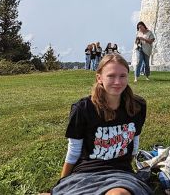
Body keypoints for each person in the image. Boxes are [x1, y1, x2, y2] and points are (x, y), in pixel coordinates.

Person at [52, 54, 152, 195]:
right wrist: (61, 184)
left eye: (122, 76)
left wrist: (131, 169)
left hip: (120, 174)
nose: (117, 81)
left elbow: (135, 140)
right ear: (99, 78)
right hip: (85, 173)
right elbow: (74, 151)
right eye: (111, 76)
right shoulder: (83, 108)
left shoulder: (137, 106)